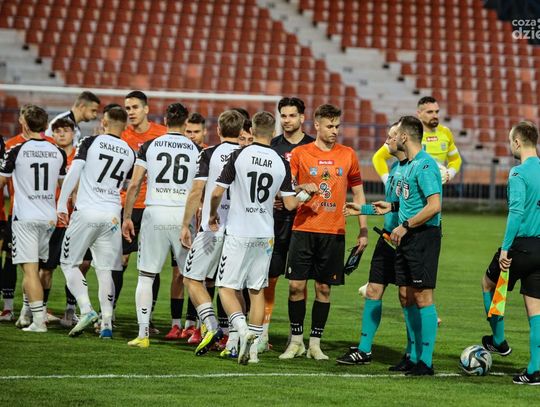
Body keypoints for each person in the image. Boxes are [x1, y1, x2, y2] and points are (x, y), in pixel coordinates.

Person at [209, 111, 301, 364]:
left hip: (239, 231)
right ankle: (253, 353)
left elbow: (217, 192)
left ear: (251, 130)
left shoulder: (239, 155)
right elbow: (291, 204)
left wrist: (212, 214)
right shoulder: (281, 161)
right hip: (265, 233)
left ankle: (242, 329)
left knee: (226, 287)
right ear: (273, 132)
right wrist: (307, 194)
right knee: (257, 290)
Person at [280, 104, 368, 361]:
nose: (334, 131)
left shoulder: (348, 154)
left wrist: (363, 229)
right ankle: (296, 341)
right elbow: (287, 189)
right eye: (330, 126)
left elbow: (358, 193)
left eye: (337, 126)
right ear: (316, 125)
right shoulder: (300, 153)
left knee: (324, 289)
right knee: (296, 287)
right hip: (303, 229)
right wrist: (301, 186)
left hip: (334, 231)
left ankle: (315, 344)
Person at [121, 103, 200, 348]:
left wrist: (127, 216)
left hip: (154, 212)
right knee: (192, 278)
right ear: (186, 122)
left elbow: (135, 184)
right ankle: (206, 329)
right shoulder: (197, 149)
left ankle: (143, 334)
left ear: (165, 120)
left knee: (146, 275)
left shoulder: (149, 146)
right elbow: (200, 189)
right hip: (183, 215)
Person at [337, 122, 414, 368]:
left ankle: (412, 354)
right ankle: (364, 349)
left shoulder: (416, 168)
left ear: (403, 138)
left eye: (390, 137)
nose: (387, 141)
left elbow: (423, 208)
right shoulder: (395, 169)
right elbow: (388, 207)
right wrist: (363, 209)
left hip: (407, 242)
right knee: (372, 291)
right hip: (387, 239)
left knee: (406, 297)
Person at [57, 106, 135, 338]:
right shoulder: (130, 152)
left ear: (104, 122)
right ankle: (107, 323)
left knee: (68, 263)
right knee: (104, 270)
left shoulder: (90, 142)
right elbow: (128, 183)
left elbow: (74, 171)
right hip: (112, 214)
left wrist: (61, 203)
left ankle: (86, 309)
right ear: (125, 126)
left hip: (87, 211)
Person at [373, 115, 442, 376]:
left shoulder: (425, 165)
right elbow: (411, 202)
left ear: (404, 137)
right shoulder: (408, 166)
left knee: (423, 296)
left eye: (395, 134)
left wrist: (406, 225)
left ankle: (426, 361)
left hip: (423, 236)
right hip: (407, 236)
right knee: (406, 296)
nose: (390, 139)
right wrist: (391, 207)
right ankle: (412, 356)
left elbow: (434, 206)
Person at [180, 109, 244, 356]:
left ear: (217, 130)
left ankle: (211, 326)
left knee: (192, 278)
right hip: (239, 230)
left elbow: (197, 190)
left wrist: (185, 224)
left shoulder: (208, 153)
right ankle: (234, 341)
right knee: (233, 287)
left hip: (212, 228)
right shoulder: (246, 155)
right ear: (241, 131)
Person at [481, 121, 540, 385]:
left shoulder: (518, 173)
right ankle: (535, 370)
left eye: (509, 141)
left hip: (520, 246)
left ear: (517, 142)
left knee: (488, 284)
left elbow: (516, 212)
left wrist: (505, 248)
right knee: (535, 310)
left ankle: (498, 340)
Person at [0, 105, 67, 333]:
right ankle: (26, 314)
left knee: (29, 270)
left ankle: (38, 321)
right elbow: (64, 185)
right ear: (46, 125)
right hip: (48, 218)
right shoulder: (58, 151)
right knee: (35, 269)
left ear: (25, 124)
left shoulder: (16, 150)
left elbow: (2, 182)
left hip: (26, 217)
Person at [261, 97, 313, 352]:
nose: (287, 120)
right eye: (283, 115)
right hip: (275, 222)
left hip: (304, 222)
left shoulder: (313, 147)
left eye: (292, 115)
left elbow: (318, 184)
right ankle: (263, 334)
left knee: (298, 283)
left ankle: (297, 338)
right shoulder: (271, 147)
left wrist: (293, 195)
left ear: (302, 117)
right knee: (269, 278)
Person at [115, 91, 166, 330]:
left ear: (146, 109)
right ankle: (109, 313)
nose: (131, 112)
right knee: (120, 260)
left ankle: (148, 317)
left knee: (151, 265)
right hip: (127, 205)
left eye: (135, 107)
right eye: (128, 108)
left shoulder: (162, 134)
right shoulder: (122, 136)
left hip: (152, 207)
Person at [371, 96, 462, 185]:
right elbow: (378, 157)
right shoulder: (408, 133)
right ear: (419, 113)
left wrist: (450, 173)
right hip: (410, 189)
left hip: (435, 187)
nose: (435, 115)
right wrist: (387, 181)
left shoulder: (445, 132)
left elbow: (455, 159)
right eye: (430, 112)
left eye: (437, 111)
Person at [39, 118, 77, 325]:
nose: (61, 134)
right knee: (46, 268)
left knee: (77, 267)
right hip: (51, 220)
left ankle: (70, 310)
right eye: (57, 131)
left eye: (66, 130)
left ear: (74, 133)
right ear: (52, 134)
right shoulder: (50, 156)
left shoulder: (81, 156)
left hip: (74, 221)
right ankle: (41, 309)